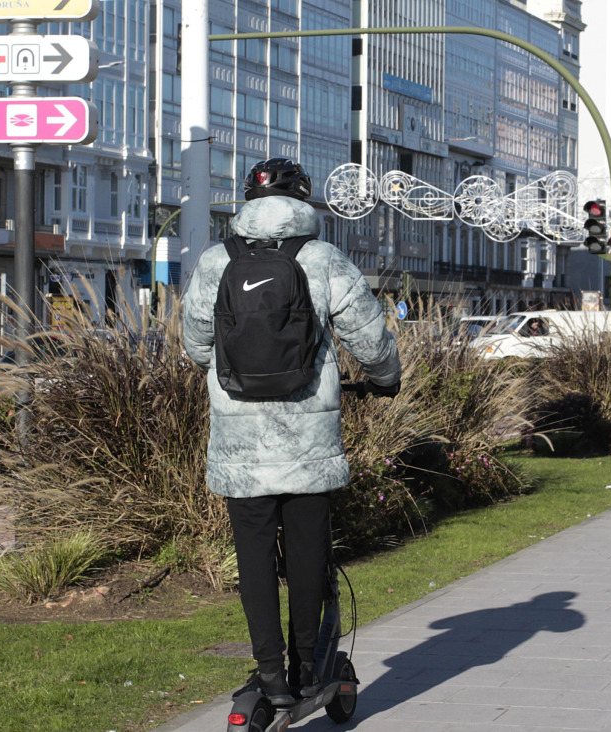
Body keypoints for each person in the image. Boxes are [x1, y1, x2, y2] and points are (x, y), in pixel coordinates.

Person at [181, 157, 402, 706]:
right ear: (303, 201)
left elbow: (196, 344)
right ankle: (307, 670)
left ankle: (270, 676)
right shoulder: (322, 258)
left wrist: (238, 370)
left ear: (247, 202)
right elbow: (369, 336)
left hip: (240, 446)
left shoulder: (216, 260)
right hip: (308, 446)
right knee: (308, 558)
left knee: (254, 561)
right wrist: (385, 379)